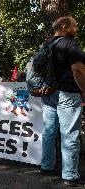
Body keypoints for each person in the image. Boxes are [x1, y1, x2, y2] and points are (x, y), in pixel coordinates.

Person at [37, 17, 85, 187]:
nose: (77, 29)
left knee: (49, 132)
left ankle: (46, 166)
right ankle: (70, 175)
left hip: (48, 93)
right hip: (68, 94)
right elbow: (78, 70)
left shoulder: (46, 45)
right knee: (70, 134)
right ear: (64, 27)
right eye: (75, 26)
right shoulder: (70, 44)